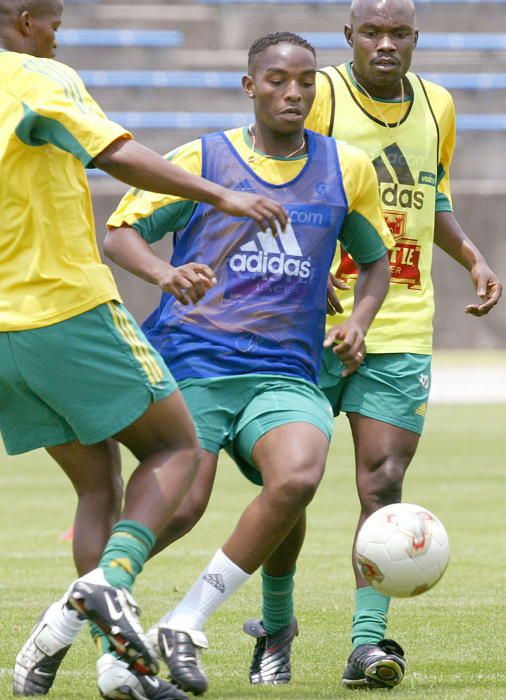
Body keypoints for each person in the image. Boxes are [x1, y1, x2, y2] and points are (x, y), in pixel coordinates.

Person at [0, 1, 289, 698]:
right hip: (61, 306)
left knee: (97, 483)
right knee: (178, 449)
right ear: (27, 19)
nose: (57, 36)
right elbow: (115, 152)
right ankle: (111, 585)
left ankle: (114, 668)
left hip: (4, 333)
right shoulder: (37, 76)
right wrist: (221, 194)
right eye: (55, 24)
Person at [102, 31, 392, 696]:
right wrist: (166, 273)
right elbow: (119, 234)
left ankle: (187, 620)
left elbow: (374, 260)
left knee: (296, 479)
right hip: (194, 365)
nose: (293, 92)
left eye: (305, 81)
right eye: (278, 81)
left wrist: (358, 321)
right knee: (180, 509)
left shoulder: (345, 168)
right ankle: (85, 605)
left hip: (285, 373)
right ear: (250, 86)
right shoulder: (202, 159)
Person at [301, 0, 503, 690]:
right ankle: (274, 625)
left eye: (400, 33)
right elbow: (279, 182)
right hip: (315, 323)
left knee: (382, 484)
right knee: (285, 484)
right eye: (372, 32)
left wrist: (471, 255)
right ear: (348, 37)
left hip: (403, 324)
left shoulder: (439, 104)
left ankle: (366, 644)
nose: (386, 44)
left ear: (417, 38)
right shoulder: (320, 93)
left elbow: (431, 197)